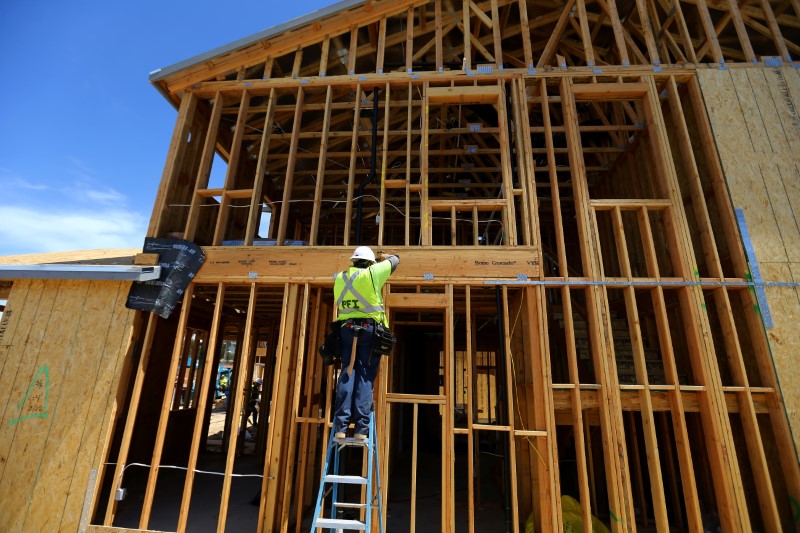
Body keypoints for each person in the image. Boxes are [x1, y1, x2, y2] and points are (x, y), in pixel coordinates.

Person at [332, 246, 399, 440]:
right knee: (365, 377)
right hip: (369, 331)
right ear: (370, 262)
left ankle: (341, 427)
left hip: (346, 330)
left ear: (353, 261)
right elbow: (396, 260)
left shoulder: (339, 277)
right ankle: (361, 429)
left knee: (347, 372)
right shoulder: (373, 272)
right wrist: (383, 257)